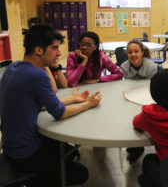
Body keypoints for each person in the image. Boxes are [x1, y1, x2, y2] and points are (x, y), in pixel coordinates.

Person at [0, 24, 102, 187]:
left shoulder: (13, 68)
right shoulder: (37, 75)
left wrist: (72, 98)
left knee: (64, 149)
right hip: (26, 153)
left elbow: (39, 104)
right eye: (55, 48)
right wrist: (89, 104)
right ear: (39, 50)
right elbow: (60, 113)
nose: (60, 53)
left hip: (10, 147)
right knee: (82, 174)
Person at [120, 39, 158, 163]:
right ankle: (135, 147)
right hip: (131, 96)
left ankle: (138, 146)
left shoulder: (151, 66)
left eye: (136, 51)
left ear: (142, 52)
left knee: (143, 118)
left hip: (147, 96)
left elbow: (150, 87)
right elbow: (128, 85)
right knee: (130, 119)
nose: (133, 55)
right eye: (130, 52)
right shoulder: (124, 67)